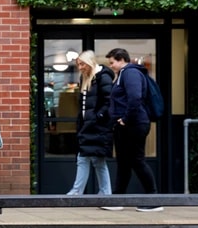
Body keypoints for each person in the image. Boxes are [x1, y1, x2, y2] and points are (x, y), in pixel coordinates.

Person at [105, 47, 162, 211]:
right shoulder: (125, 74)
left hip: (133, 124)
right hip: (129, 124)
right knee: (124, 162)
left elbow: (135, 97)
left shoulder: (130, 73)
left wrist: (125, 119)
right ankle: (118, 199)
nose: (111, 66)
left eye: (112, 62)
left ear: (121, 59)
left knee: (137, 160)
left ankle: (153, 199)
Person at [65, 50, 116, 204]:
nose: (80, 67)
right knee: (91, 159)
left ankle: (79, 191)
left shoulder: (103, 77)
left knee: (92, 159)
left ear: (90, 62)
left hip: (97, 126)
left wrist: (96, 117)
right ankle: (103, 192)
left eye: (82, 64)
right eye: (78, 64)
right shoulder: (87, 78)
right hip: (89, 125)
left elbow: (108, 101)